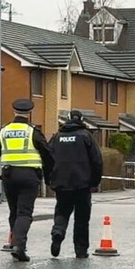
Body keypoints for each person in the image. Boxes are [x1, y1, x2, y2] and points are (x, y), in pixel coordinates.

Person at [0, 99, 51, 262]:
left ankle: (13, 240)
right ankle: (19, 246)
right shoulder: (33, 131)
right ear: (29, 113)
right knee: (24, 212)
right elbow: (47, 153)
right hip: (29, 176)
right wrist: (49, 173)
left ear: (14, 112)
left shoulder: (4, 130)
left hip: (9, 176)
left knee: (14, 211)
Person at [46, 110, 103, 258]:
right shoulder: (86, 136)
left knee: (62, 211)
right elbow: (97, 161)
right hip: (82, 184)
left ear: (68, 119)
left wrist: (49, 179)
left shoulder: (57, 137)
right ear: (81, 120)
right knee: (82, 217)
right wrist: (95, 182)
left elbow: (47, 158)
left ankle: (58, 231)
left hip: (61, 183)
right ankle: (80, 249)